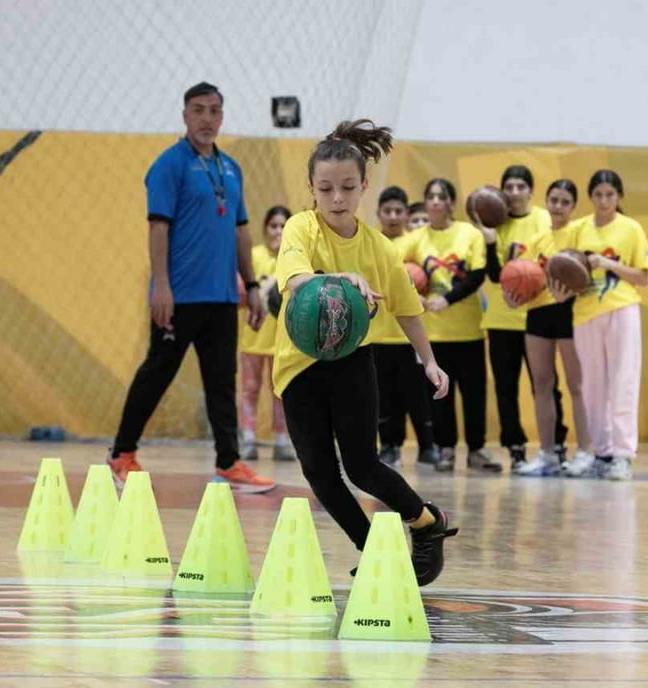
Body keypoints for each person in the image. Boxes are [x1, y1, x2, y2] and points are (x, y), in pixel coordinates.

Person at [273, 119, 458, 585]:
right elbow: (294, 280)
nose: (337, 198)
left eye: (348, 187)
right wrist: (338, 280)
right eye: (326, 189)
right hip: (298, 366)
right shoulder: (301, 228)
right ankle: (374, 550)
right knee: (319, 472)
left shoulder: (379, 248)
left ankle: (426, 522)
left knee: (362, 466)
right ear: (311, 189)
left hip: (353, 362)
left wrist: (430, 362)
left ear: (364, 187)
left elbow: (407, 308)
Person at [106, 82, 273, 492]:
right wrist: (161, 286)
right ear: (185, 115)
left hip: (222, 296)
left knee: (222, 381)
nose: (206, 118)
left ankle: (229, 463)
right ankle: (122, 454)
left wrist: (252, 285)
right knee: (157, 373)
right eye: (198, 110)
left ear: (222, 116)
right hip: (179, 296)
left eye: (214, 110)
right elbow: (157, 228)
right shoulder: (169, 165)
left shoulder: (231, 168)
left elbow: (240, 231)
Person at [407, 179, 499, 472]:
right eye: (431, 196)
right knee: (439, 396)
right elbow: (396, 270)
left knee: (474, 395)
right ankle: (445, 449)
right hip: (432, 334)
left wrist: (446, 300)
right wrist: (414, 294)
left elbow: (477, 275)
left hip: (469, 330)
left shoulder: (469, 234)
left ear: (451, 203)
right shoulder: (416, 238)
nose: (436, 201)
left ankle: (476, 450)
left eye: (442, 196)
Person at [477, 165, 565, 468]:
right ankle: (515, 447)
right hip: (502, 319)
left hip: (538, 314)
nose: (515, 192)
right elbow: (493, 275)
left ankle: (557, 444)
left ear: (530, 191)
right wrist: (490, 241)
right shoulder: (495, 224)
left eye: (520, 186)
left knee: (546, 384)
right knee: (506, 389)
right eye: (509, 187)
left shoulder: (543, 218)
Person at [569, 170, 648, 481]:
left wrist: (608, 263)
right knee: (593, 386)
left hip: (621, 309)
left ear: (619, 197)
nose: (604, 201)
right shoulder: (578, 229)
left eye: (610, 195)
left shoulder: (631, 228)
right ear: (591, 197)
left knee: (623, 381)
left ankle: (623, 455)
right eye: (598, 195)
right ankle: (602, 453)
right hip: (585, 312)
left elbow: (643, 277)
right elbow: (565, 267)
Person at [514, 179, 595, 476]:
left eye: (564, 202)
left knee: (577, 385)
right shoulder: (537, 240)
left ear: (573, 207)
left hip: (570, 312)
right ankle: (547, 454)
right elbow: (523, 278)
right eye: (553, 200)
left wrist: (571, 293)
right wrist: (514, 295)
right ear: (546, 201)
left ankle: (585, 452)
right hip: (538, 314)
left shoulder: (580, 233)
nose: (558, 206)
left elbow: (589, 279)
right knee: (542, 385)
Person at [372, 185, 437, 468]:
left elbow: (435, 277)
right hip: (378, 334)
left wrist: (424, 293)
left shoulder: (418, 243)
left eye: (398, 211)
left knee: (418, 395)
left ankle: (427, 446)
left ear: (407, 214)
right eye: (387, 211)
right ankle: (389, 445)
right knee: (383, 396)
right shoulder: (371, 243)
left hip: (410, 335)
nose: (393, 216)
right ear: (379, 213)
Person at [237, 205, 293, 462]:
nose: (278, 231)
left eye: (284, 226)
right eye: (273, 226)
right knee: (249, 388)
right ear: (265, 228)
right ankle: (248, 439)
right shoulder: (253, 255)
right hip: (253, 337)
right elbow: (243, 293)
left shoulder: (294, 259)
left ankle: (282, 441)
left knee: (280, 391)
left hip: (283, 339)